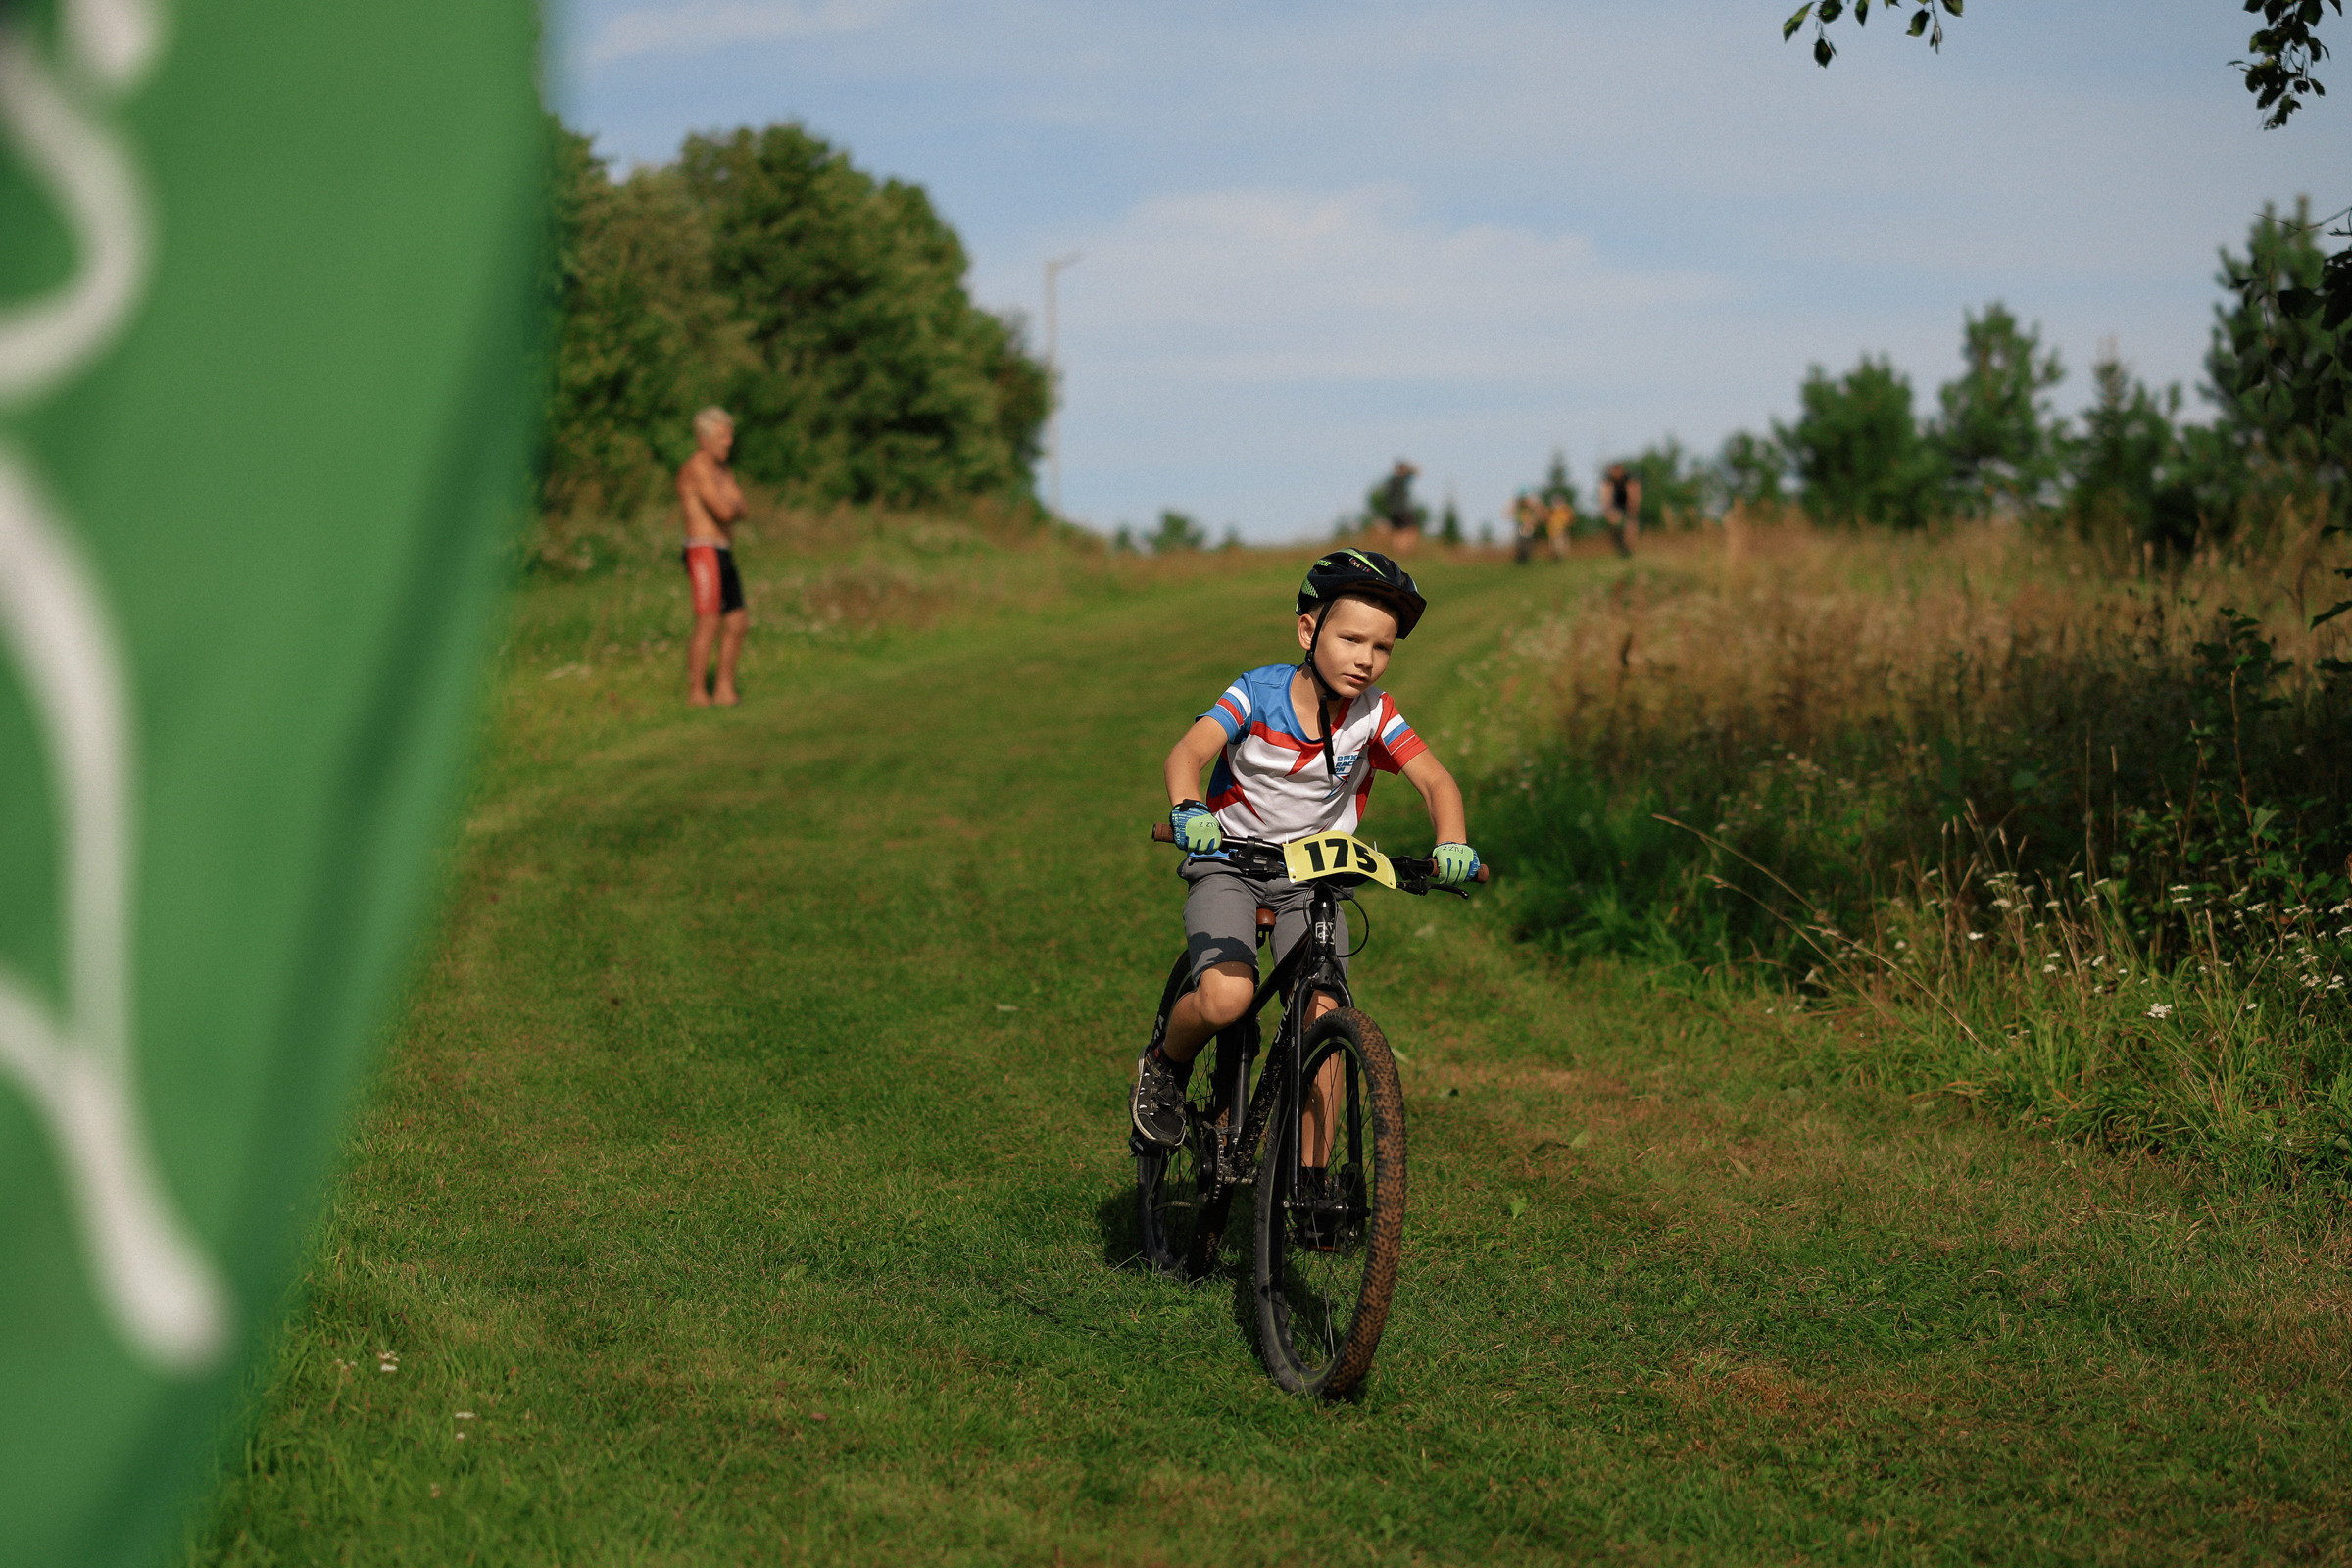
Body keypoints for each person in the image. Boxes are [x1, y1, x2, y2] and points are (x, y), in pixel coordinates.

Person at [1132, 550, 1481, 1159]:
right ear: (1307, 631)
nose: (1366, 659)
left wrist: (1452, 840)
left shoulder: (1375, 715)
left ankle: (1314, 1183)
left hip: (1312, 878)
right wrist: (1189, 808)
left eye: (1383, 647)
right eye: (1351, 639)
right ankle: (1165, 1064)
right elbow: (1186, 754)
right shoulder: (1255, 693)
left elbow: (1435, 782)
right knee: (1228, 997)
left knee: (1324, 1013)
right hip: (1231, 863)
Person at [677, 407, 748, 706]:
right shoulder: (697, 468)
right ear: (703, 438)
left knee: (737, 621)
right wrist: (732, 505)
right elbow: (724, 510)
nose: (728, 441)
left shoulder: (722, 469)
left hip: (724, 550)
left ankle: (724, 690)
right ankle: (696, 692)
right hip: (703, 550)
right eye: (722, 436)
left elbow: (742, 506)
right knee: (708, 621)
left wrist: (733, 505)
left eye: (729, 435)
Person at [1380, 460, 1420, 555]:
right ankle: (1406, 550)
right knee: (1410, 529)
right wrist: (1409, 469)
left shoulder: (1392, 481)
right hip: (1403, 509)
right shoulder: (1403, 479)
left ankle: (1397, 551)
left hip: (1393, 510)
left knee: (1397, 530)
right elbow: (1417, 471)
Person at [1601, 462, 1640, 559]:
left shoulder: (1629, 479)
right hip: (1615, 505)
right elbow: (1605, 495)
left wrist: (1633, 507)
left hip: (1628, 504)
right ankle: (1620, 545)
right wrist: (1607, 509)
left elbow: (1634, 492)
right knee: (1615, 524)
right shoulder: (1608, 481)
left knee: (1630, 527)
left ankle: (1628, 549)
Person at [1511, 490, 1542, 564]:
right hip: (1521, 527)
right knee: (1521, 544)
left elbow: (1535, 518)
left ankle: (1525, 558)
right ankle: (1521, 558)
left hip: (1528, 528)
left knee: (1528, 544)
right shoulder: (1520, 510)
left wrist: (1531, 524)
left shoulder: (1530, 509)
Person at [1544, 494, 1574, 561]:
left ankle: (1559, 557)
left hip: (1562, 530)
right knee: (1555, 545)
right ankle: (1556, 556)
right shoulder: (1551, 510)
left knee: (1561, 544)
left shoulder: (1565, 510)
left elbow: (1571, 519)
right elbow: (1546, 518)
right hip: (1553, 531)